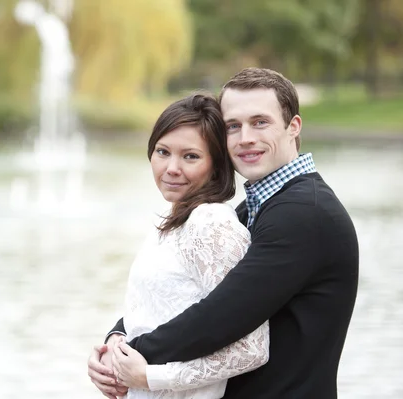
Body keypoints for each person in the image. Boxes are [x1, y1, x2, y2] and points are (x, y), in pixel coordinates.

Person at [88, 68, 359, 399]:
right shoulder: (258, 206)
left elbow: (219, 316)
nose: (245, 137)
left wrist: (130, 355)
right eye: (233, 126)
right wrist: (117, 337)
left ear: (293, 127)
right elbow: (182, 297)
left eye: (260, 122)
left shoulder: (305, 214)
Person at [88, 92, 270, 399]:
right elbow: (157, 312)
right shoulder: (176, 221)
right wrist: (112, 348)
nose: (172, 168)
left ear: (216, 165)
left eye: (190, 156)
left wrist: (150, 376)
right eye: (162, 152)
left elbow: (252, 349)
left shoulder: (212, 225)